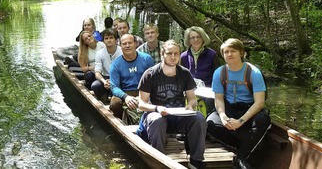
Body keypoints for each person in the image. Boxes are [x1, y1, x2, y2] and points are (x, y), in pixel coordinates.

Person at [137, 40, 206, 169]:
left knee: (199, 118)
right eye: (169, 53)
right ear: (162, 54)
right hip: (156, 115)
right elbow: (141, 104)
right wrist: (157, 108)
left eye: (176, 54)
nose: (173, 57)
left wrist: (190, 106)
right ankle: (159, 160)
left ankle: (196, 160)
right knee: (156, 119)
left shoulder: (185, 73)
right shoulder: (150, 74)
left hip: (178, 115)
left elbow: (192, 99)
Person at [206, 38, 270, 169]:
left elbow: (259, 103)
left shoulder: (254, 72)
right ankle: (247, 145)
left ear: (241, 53)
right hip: (229, 107)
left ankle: (240, 158)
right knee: (210, 124)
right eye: (226, 52)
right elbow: (218, 99)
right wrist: (223, 116)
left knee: (263, 120)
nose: (229, 54)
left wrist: (241, 121)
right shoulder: (219, 73)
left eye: (233, 51)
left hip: (249, 108)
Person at [109, 34, 154, 119]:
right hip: (125, 92)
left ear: (135, 44)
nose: (127, 46)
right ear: (120, 46)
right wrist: (126, 97)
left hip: (144, 90)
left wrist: (143, 95)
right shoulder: (115, 65)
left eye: (130, 43)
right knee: (115, 103)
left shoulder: (147, 59)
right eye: (124, 44)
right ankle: (121, 124)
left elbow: (154, 80)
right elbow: (114, 87)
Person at [91, 29, 122, 103]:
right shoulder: (99, 53)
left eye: (111, 38)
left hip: (119, 77)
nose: (109, 40)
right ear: (103, 41)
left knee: (118, 88)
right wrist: (104, 81)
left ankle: (113, 99)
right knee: (95, 85)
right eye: (106, 38)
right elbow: (97, 72)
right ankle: (105, 101)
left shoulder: (122, 51)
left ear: (116, 40)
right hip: (105, 77)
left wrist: (114, 81)